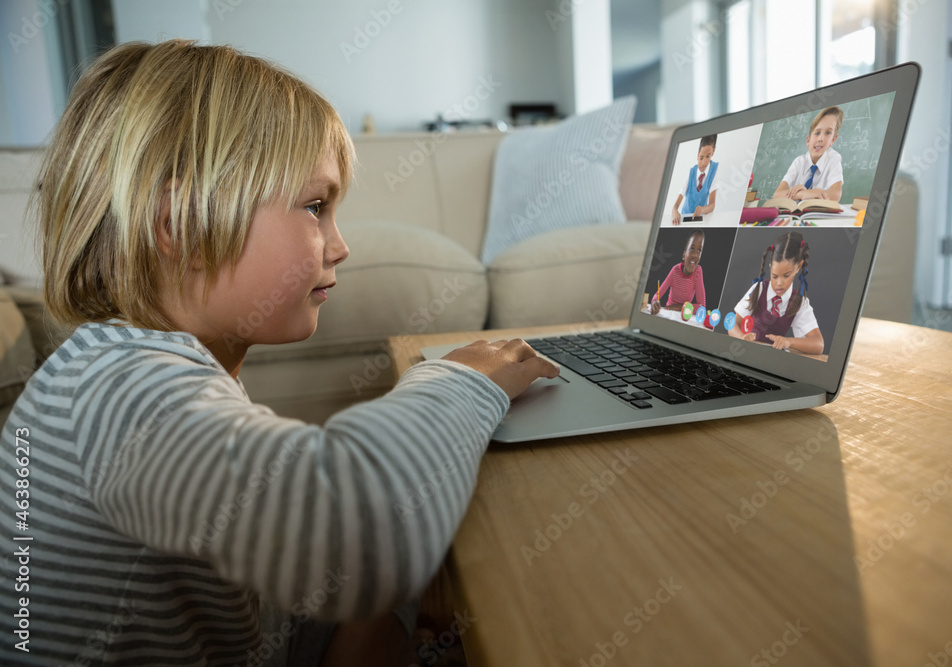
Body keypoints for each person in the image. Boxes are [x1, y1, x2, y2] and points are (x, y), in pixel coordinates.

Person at [0, 40, 558, 667]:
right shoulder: (121, 387)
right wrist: (458, 381)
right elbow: (360, 538)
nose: (339, 245)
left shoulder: (129, 363)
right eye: (316, 207)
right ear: (180, 222)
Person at [728, 231, 824, 355]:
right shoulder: (759, 288)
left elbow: (818, 344)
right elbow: (732, 324)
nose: (779, 283)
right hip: (745, 354)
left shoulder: (799, 302)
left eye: (786, 276)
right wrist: (741, 338)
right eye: (774, 276)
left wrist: (789, 342)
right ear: (770, 267)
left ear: (798, 267)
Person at [773, 106, 844, 203]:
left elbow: (836, 194)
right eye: (817, 133)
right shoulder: (799, 162)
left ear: (833, 139)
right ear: (808, 140)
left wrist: (809, 193)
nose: (821, 139)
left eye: (828, 133)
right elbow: (777, 195)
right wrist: (803, 194)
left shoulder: (833, 159)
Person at [649, 231, 707, 326]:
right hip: (669, 312)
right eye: (692, 249)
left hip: (683, 314)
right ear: (684, 255)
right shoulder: (675, 270)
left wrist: (679, 307)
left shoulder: (698, 272)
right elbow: (657, 294)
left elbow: (702, 308)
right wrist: (655, 301)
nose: (695, 255)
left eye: (699, 250)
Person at [671, 135, 718, 225]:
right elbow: (675, 206)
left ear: (713, 151)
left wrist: (702, 209)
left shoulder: (714, 171)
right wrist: (675, 212)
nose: (703, 163)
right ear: (697, 155)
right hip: (685, 217)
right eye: (701, 158)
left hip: (700, 218)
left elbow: (712, 205)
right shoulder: (691, 173)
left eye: (708, 156)